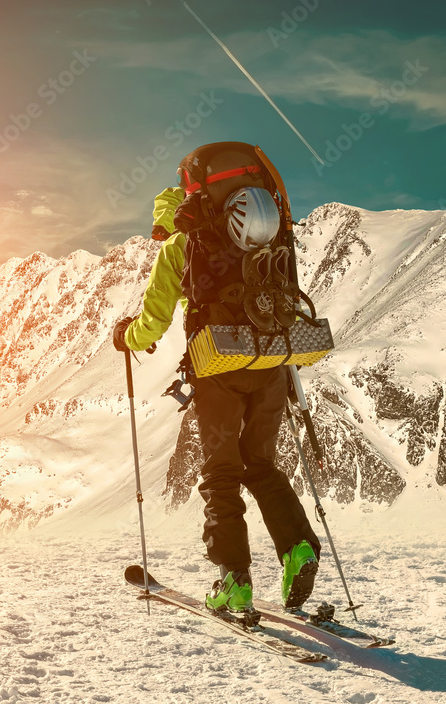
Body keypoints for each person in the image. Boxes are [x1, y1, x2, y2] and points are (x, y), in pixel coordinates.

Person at [113, 169, 322, 613]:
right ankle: (298, 549)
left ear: (174, 216)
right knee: (262, 466)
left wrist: (126, 337)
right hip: (271, 361)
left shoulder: (179, 247)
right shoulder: (263, 238)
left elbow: (153, 322)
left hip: (219, 366)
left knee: (221, 472)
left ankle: (234, 580)